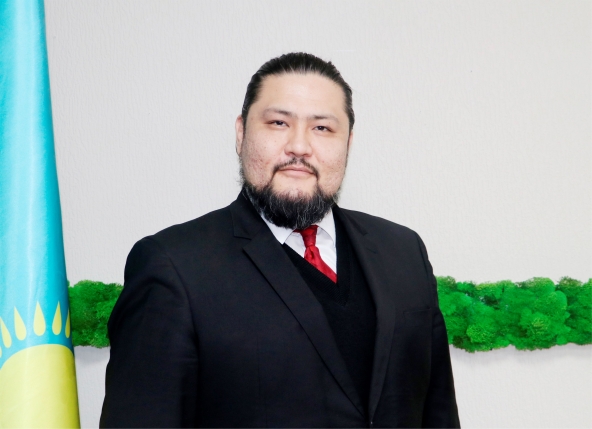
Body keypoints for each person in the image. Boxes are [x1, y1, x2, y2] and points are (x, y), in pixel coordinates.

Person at [100, 52, 460, 428]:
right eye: (278, 123)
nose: (299, 146)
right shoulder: (173, 266)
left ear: (348, 143)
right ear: (241, 133)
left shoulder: (404, 251)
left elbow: (438, 414)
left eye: (322, 128)